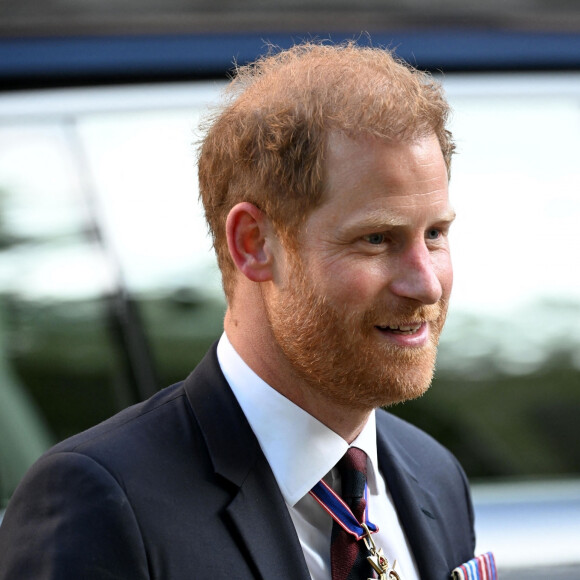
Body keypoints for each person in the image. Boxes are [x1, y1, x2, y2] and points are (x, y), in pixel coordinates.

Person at [0, 41, 477, 580]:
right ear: (253, 244)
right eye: (375, 239)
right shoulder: (104, 503)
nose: (426, 284)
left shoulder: (432, 474)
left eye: (435, 233)